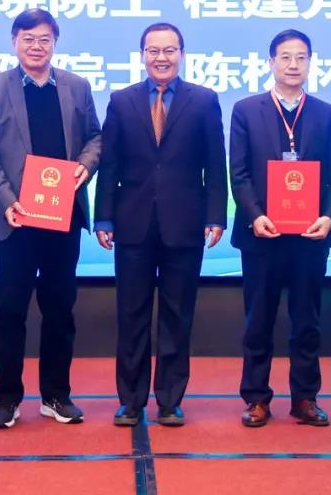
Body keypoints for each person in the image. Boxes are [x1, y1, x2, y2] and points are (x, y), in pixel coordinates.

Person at [0, 7, 102, 429]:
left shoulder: (76, 87)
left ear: (55, 43)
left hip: (63, 217)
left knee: (60, 309)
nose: (36, 46)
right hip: (15, 219)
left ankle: (56, 395)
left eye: (44, 39)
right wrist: (7, 200)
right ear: (14, 42)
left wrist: (85, 166)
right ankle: (7, 398)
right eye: (28, 39)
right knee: (10, 310)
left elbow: (95, 137)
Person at [94, 23, 228, 427]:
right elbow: (109, 164)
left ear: (181, 54)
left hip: (185, 224)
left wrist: (216, 215)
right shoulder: (121, 101)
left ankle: (170, 399)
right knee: (131, 315)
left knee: (177, 315)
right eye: (153, 51)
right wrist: (103, 216)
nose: (161, 58)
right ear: (142, 56)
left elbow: (215, 164)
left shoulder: (203, 101)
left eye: (169, 50)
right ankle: (130, 401)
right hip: (132, 224)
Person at [229, 29, 331, 428]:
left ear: (311, 63)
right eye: (285, 57)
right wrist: (254, 215)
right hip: (262, 235)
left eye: (301, 57)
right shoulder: (246, 110)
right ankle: (256, 399)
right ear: (271, 63)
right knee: (258, 320)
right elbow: (239, 173)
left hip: (310, 237)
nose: (293, 65)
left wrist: (329, 217)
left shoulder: (326, 113)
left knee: (306, 321)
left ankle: (305, 398)